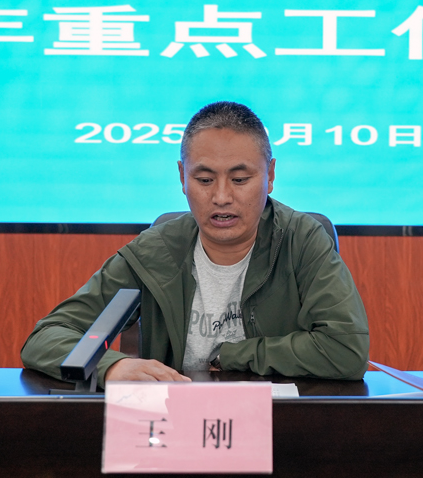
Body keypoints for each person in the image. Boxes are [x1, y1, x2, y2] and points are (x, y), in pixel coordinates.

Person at [21, 101, 369, 387]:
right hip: (175, 428)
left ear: (270, 175)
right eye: (204, 179)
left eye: (240, 179)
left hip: (279, 428)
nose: (221, 197)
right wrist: (110, 366)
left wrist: (233, 355)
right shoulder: (155, 252)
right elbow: (48, 336)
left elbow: (346, 350)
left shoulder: (302, 241)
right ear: (182, 177)